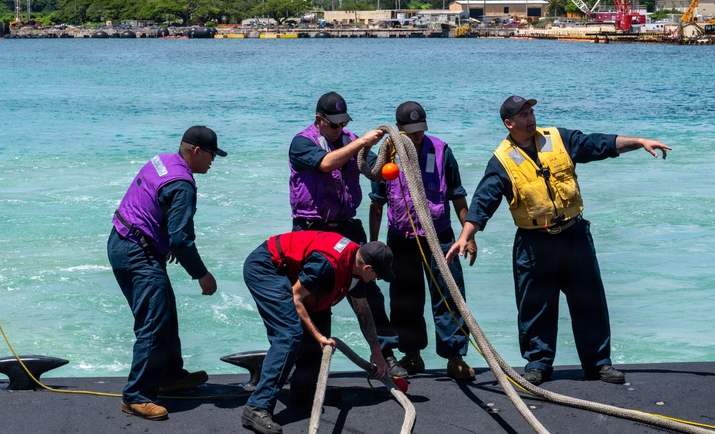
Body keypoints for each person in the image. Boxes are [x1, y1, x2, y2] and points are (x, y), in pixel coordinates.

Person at [446, 96, 671, 386]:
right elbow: (483, 201)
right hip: (534, 243)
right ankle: (538, 364)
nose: (530, 118)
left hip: (574, 235)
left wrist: (639, 142)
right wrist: (466, 235)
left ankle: (598, 363)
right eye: (523, 114)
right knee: (535, 305)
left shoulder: (558, 138)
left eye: (531, 112)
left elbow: (598, 144)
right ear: (509, 123)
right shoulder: (501, 159)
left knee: (589, 300)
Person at [108, 126, 226, 421]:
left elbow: (148, 197)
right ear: (197, 152)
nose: (213, 161)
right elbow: (182, 240)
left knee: (165, 310)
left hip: (122, 237)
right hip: (138, 252)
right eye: (212, 155)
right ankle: (136, 396)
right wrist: (202, 274)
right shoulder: (183, 186)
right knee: (153, 324)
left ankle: (169, 375)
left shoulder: (162, 160)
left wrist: (162, 236)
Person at [241, 231, 394, 434]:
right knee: (290, 335)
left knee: (321, 323)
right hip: (267, 268)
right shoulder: (328, 265)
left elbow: (362, 310)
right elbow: (296, 298)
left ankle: (304, 391)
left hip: (297, 275)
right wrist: (317, 336)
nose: (376, 280)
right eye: (377, 276)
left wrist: (376, 350)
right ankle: (257, 407)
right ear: (367, 268)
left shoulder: (356, 265)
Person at [288, 92, 399, 372]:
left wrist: (390, 156)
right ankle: (307, 365)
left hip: (345, 224)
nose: (339, 129)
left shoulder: (350, 140)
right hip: (312, 228)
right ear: (319, 120)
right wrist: (361, 141)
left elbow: (373, 168)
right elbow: (326, 163)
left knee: (369, 287)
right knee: (312, 293)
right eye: (333, 125)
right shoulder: (302, 142)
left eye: (343, 124)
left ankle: (385, 353)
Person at [368, 101, 474, 381]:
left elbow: (458, 194)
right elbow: (377, 203)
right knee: (405, 299)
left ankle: (455, 357)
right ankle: (412, 355)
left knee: (449, 295)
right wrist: (373, 245)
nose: (416, 135)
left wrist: (468, 234)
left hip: (439, 237)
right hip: (401, 239)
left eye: (420, 130)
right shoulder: (387, 156)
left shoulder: (441, 151)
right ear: (398, 128)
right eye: (410, 131)